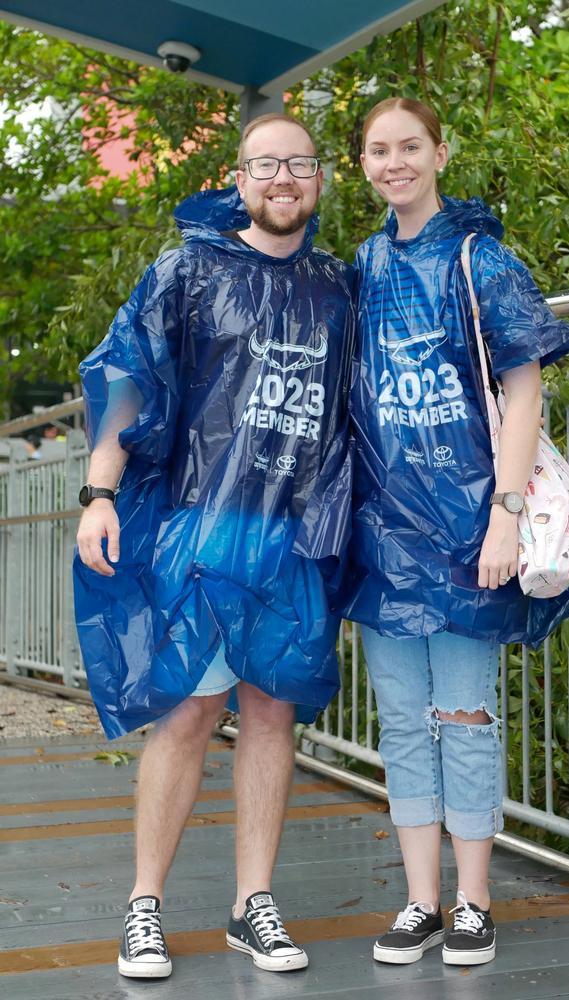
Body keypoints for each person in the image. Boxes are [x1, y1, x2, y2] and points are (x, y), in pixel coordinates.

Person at [74, 113, 354, 979]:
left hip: (293, 533)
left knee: (273, 711)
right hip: (202, 524)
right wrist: (100, 492)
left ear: (319, 180)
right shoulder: (188, 268)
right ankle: (143, 907)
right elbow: (131, 378)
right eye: (266, 164)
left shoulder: (340, 285)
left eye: (299, 164)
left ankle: (252, 905)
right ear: (238, 178)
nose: (283, 178)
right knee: (190, 709)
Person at [341, 97, 569, 968]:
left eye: (410, 146)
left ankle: (474, 900)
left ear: (440, 151)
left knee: (467, 714)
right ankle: (421, 902)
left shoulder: (482, 260)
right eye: (378, 149)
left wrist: (506, 513)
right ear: (362, 164)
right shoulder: (362, 266)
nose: (394, 161)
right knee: (404, 722)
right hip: (385, 529)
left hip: (474, 522)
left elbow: (525, 388)